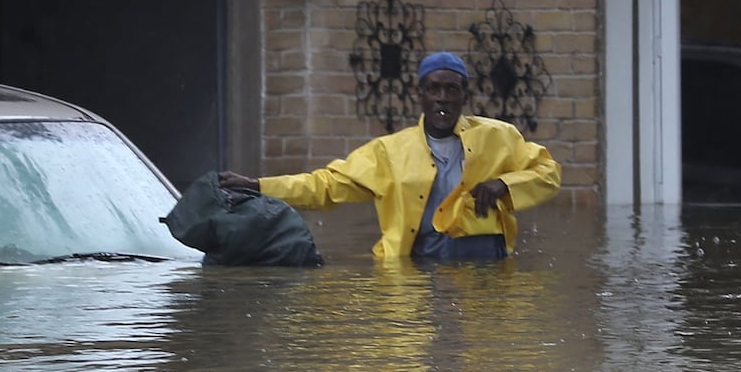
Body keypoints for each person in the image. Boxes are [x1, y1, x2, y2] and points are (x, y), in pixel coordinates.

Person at [219, 51, 561, 260]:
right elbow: (325, 185)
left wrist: (504, 183)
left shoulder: (498, 137)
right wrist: (259, 185)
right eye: (434, 89)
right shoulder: (389, 152)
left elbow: (548, 173)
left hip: (486, 259)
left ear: (464, 96)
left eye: (452, 90)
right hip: (421, 260)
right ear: (421, 95)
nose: (443, 98)